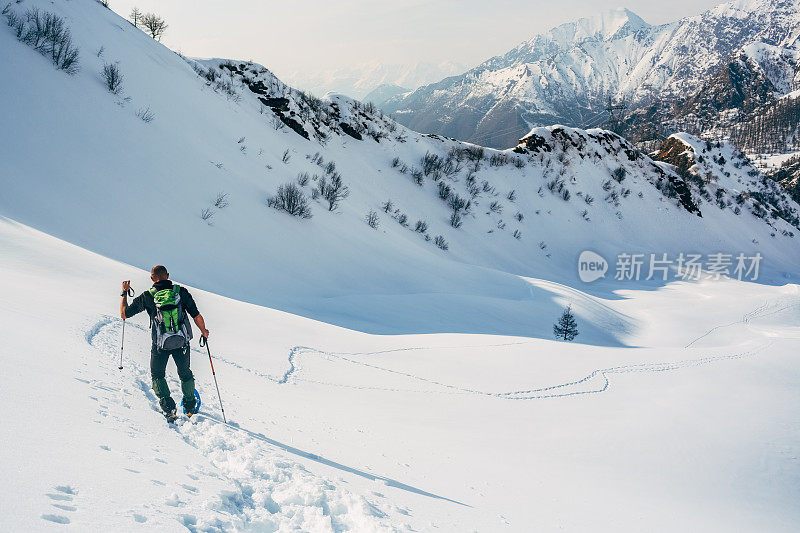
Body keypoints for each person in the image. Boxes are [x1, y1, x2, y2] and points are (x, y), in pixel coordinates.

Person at [120, 265, 210, 418]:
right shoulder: (181, 292)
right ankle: (189, 406)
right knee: (185, 373)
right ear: (167, 275)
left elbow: (124, 314)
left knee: (157, 374)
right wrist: (204, 331)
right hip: (182, 342)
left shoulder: (148, 296)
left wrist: (124, 293)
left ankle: (169, 407)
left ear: (152, 278)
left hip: (160, 344)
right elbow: (196, 315)